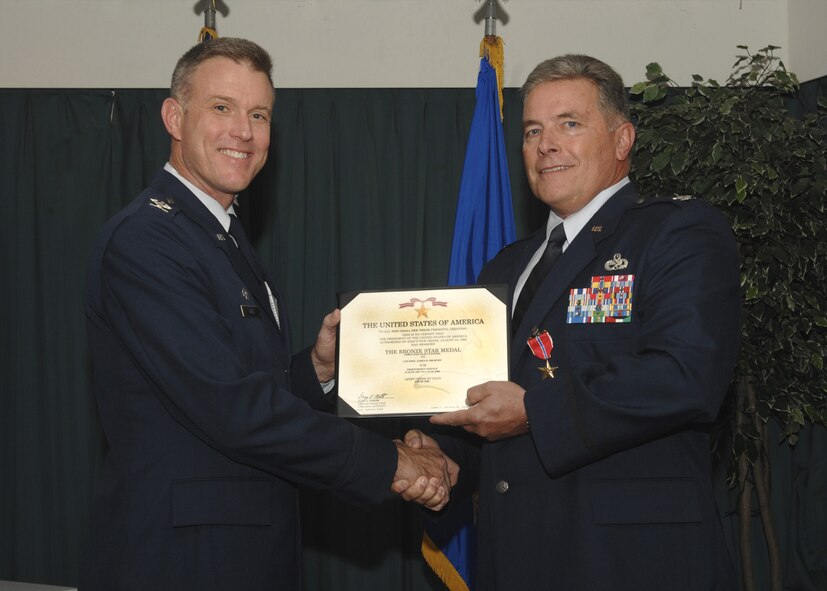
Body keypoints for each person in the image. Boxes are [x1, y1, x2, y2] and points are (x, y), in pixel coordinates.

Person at [81, 37, 454, 591]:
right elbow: (231, 408)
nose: (244, 131)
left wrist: (319, 369)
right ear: (174, 117)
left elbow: (248, 386)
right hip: (182, 559)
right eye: (222, 108)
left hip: (241, 549)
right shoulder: (148, 240)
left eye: (259, 114)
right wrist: (391, 463)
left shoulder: (221, 237)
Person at [399, 54, 741, 589]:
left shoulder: (677, 233)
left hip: (630, 560)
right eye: (533, 129)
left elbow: (685, 376)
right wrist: (443, 460)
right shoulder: (506, 266)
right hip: (516, 557)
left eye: (570, 124)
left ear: (623, 140)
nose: (546, 143)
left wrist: (535, 410)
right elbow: (491, 405)